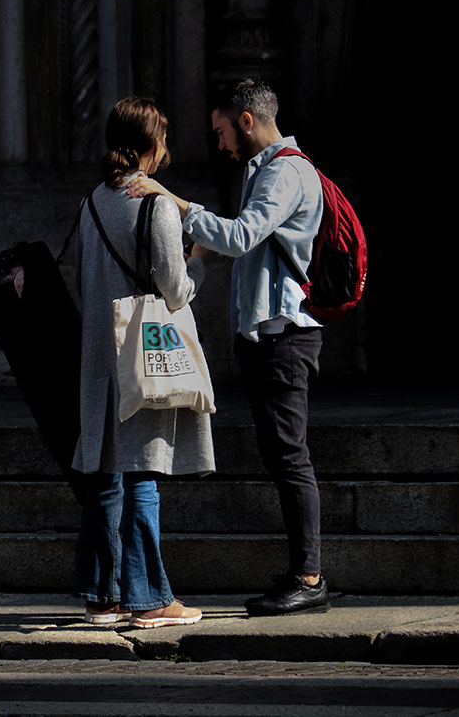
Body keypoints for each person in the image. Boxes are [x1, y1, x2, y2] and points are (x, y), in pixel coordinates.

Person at [126, 79, 329, 617]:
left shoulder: (286, 170)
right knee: (283, 454)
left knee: (290, 456)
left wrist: (172, 200)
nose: (219, 144)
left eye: (220, 132)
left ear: (245, 121)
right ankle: (302, 571)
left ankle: (309, 576)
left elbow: (242, 236)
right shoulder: (265, 170)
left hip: (286, 335)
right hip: (268, 334)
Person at [73, 96, 214, 628]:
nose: (167, 153)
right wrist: (198, 264)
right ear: (149, 145)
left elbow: (85, 280)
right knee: (145, 473)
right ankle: (149, 597)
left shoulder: (90, 203)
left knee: (106, 473)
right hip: (144, 355)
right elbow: (174, 291)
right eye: (163, 141)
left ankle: (101, 595)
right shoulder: (153, 205)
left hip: (99, 355)